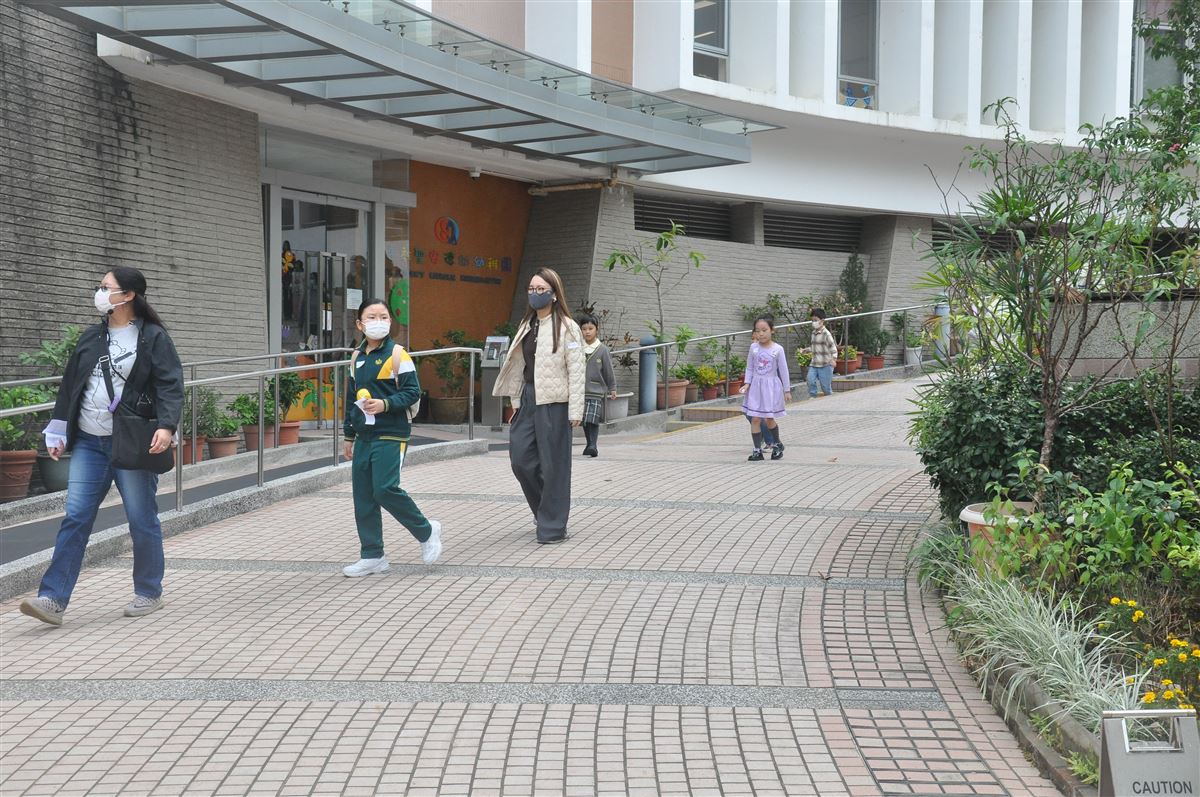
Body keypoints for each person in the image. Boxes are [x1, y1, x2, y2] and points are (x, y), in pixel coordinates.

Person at [19, 267, 183, 626]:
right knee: (76, 517)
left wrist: (167, 426)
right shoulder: (92, 336)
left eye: (106, 287)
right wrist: (58, 431)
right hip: (90, 443)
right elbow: (71, 386)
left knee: (141, 518)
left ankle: (149, 591)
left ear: (128, 295)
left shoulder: (152, 337)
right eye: (100, 287)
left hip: (132, 443)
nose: (100, 293)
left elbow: (170, 384)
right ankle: (52, 599)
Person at [341, 299, 441, 577]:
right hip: (364, 435)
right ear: (359, 324)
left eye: (384, 317)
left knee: (385, 489)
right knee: (363, 496)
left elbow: (412, 392)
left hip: (392, 433)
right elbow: (350, 398)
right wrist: (348, 434)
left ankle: (426, 531)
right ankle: (372, 555)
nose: (379, 321)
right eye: (372, 317)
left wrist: (385, 404)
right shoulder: (356, 358)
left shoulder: (398, 355)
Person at [492, 268, 585, 543]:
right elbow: (518, 367)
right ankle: (546, 510)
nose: (535, 293)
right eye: (531, 289)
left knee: (554, 467)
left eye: (541, 289)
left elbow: (577, 371)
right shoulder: (527, 325)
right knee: (520, 460)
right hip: (528, 399)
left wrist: (576, 410)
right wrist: (516, 402)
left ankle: (553, 527)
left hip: (556, 402)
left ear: (554, 294)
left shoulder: (568, 327)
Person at [739, 315, 789, 461]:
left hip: (770, 388)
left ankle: (777, 444)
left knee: (769, 419)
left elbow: (783, 370)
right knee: (755, 418)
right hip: (755, 387)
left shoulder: (778, 349)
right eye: (757, 330)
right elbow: (749, 367)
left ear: (772, 330)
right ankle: (757, 450)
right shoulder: (753, 348)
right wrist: (747, 383)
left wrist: (787, 390)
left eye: (764, 330)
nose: (761, 334)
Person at [577, 312, 617, 458]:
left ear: (596, 329)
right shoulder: (577, 348)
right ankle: (589, 444)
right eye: (584, 329)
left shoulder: (602, 350)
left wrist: (612, 387)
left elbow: (608, 370)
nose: (587, 332)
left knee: (592, 418)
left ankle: (593, 445)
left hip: (595, 390)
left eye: (590, 328)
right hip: (579, 390)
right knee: (584, 419)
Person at [802, 307, 838, 399]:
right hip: (814, 364)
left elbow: (833, 348)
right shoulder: (813, 333)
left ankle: (831, 400)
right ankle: (813, 397)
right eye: (812, 320)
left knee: (826, 388)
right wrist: (807, 350)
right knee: (810, 380)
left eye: (815, 320)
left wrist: (833, 359)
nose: (813, 322)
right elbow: (815, 347)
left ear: (822, 321)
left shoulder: (826, 334)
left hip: (825, 364)